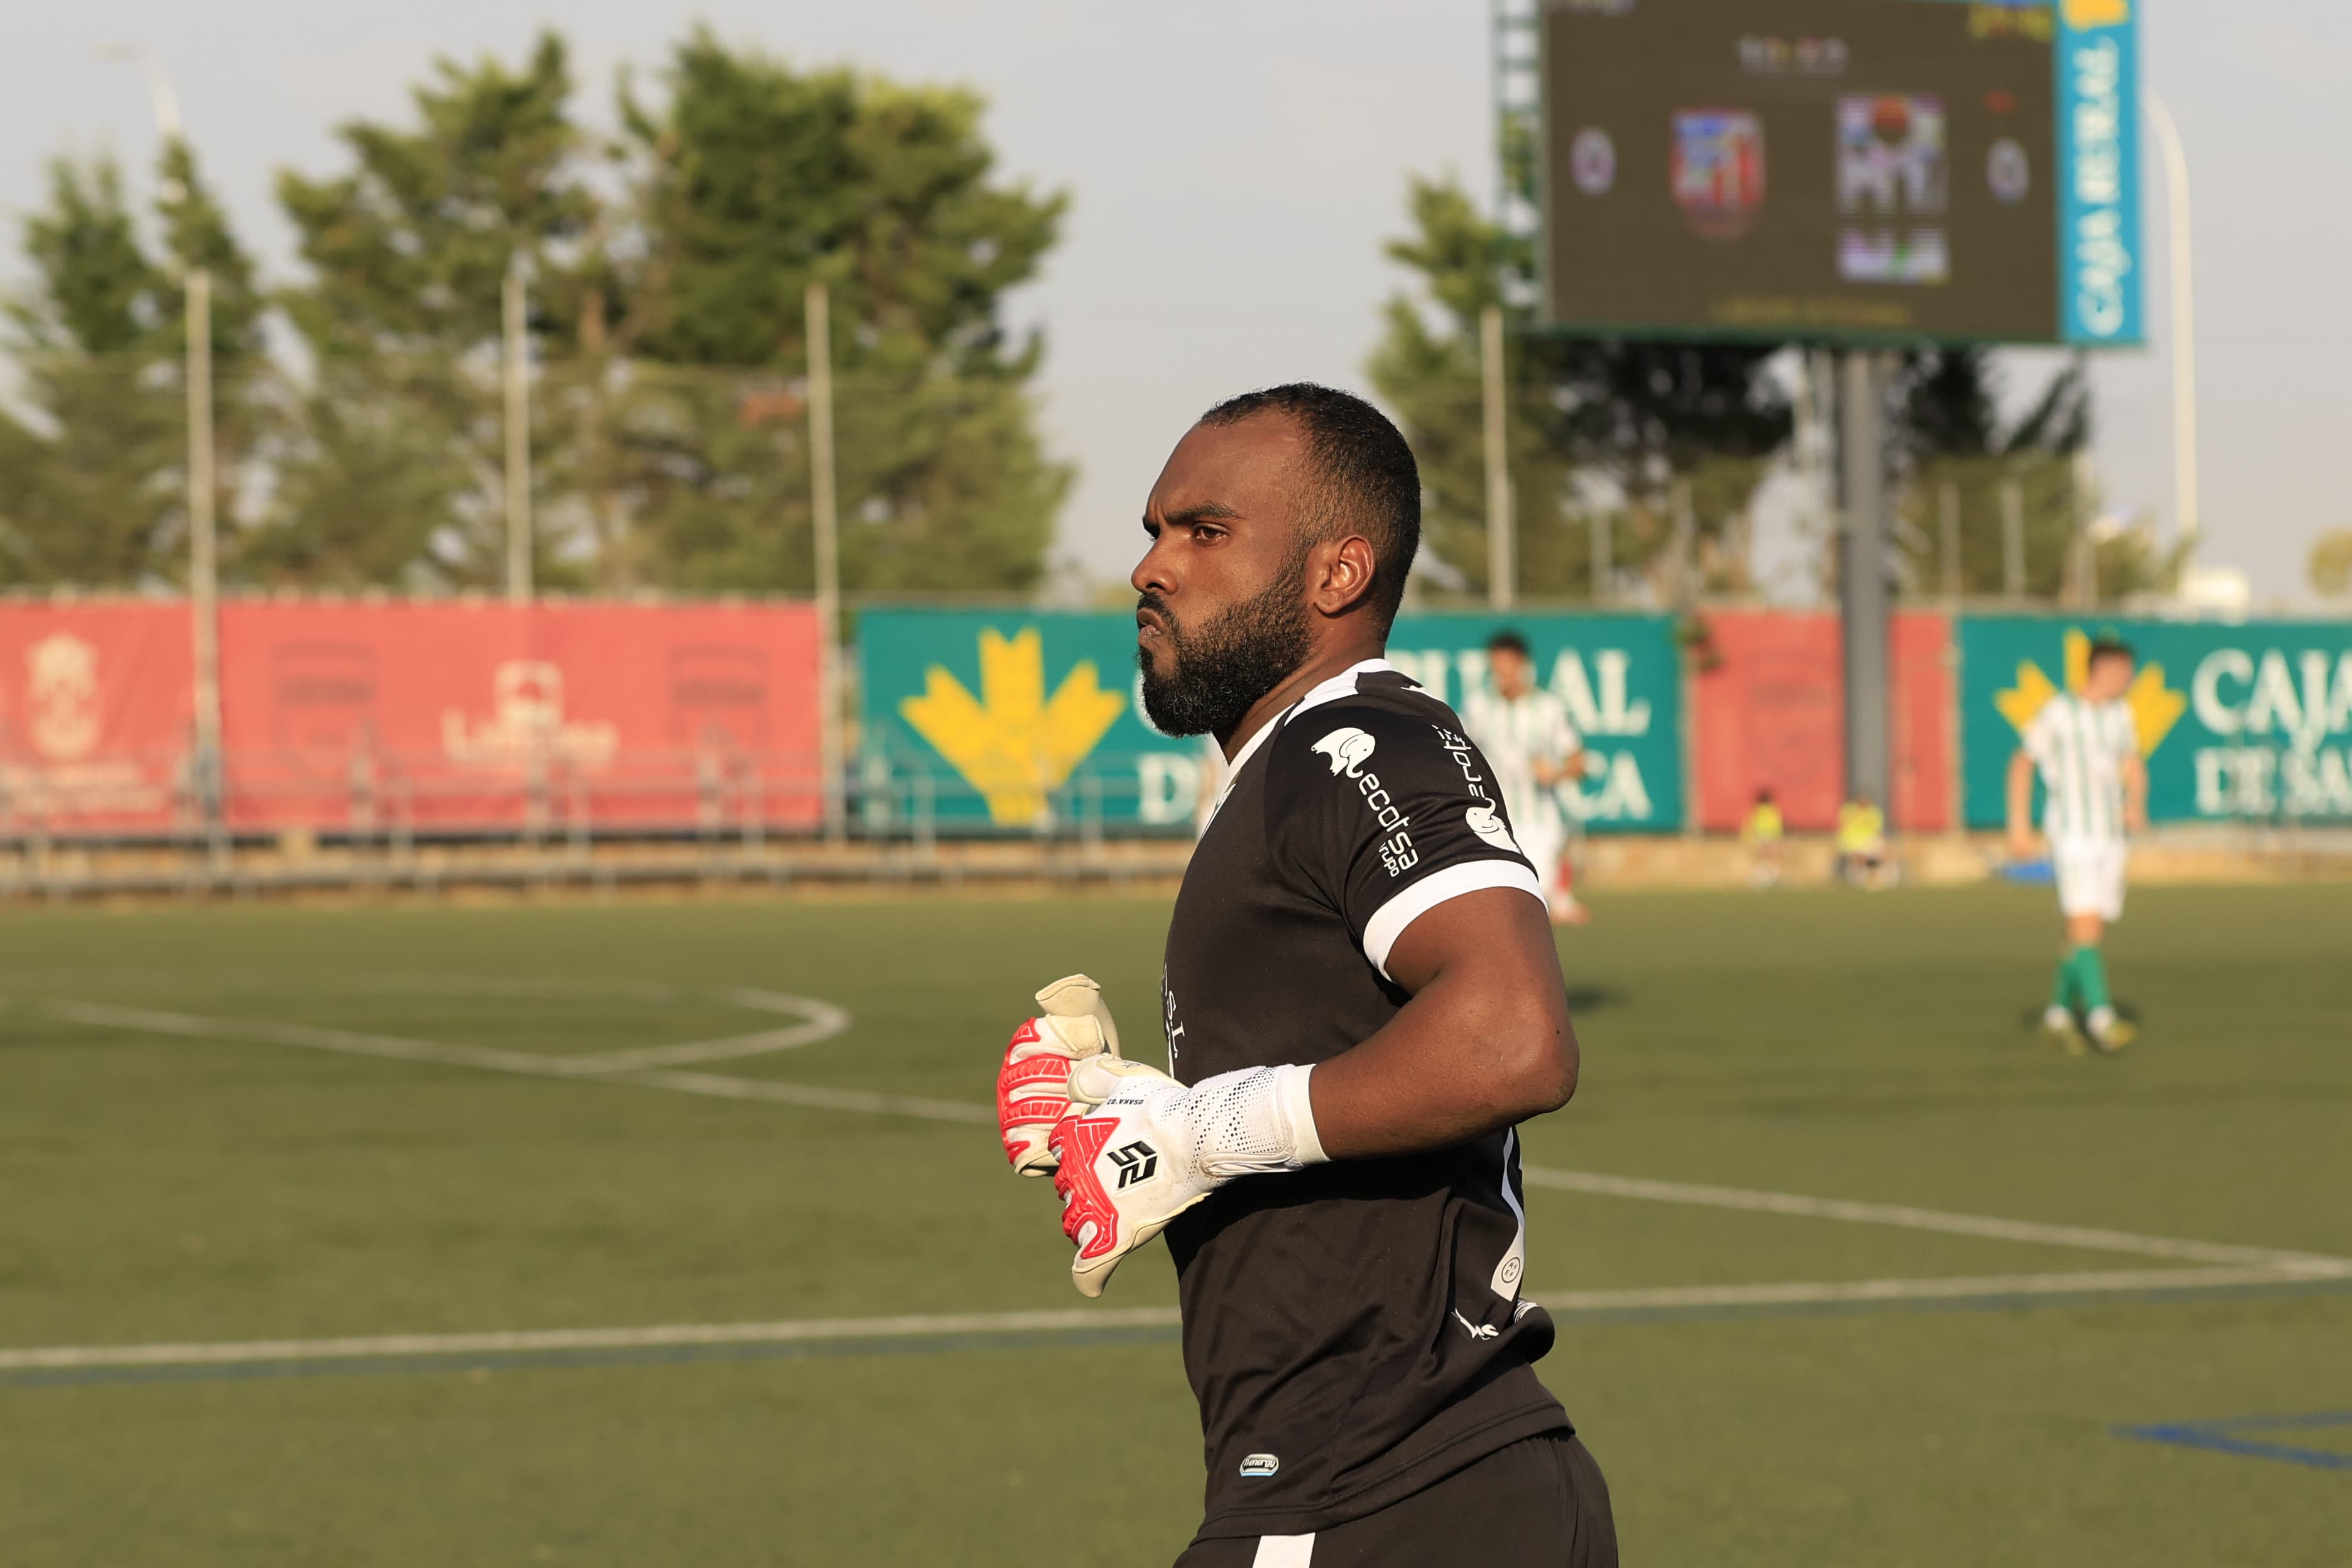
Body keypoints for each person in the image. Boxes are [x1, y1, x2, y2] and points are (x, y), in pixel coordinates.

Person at [994, 384, 1614, 1566]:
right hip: (1385, 1486)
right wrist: (1132, 1130)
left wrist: (1198, 1133)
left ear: (1336, 575)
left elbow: (1511, 1034)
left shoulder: (1356, 742)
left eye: (1203, 531)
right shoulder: (1277, 777)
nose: (1150, 567)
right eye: (1152, 530)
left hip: (1380, 1490)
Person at [2007, 634, 2146, 1055]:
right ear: (2101, 669)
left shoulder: (2121, 714)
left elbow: (2132, 763)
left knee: (2088, 929)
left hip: (2110, 835)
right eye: (2123, 670)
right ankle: (2102, 1018)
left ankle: (2057, 1014)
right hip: (2072, 834)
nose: (2129, 679)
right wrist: (2019, 827)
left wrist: (2135, 804)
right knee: (2084, 922)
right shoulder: (2059, 712)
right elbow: (2022, 763)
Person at [1462, 629, 1590, 925]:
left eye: (1507, 665)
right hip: (1493, 822)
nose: (1501, 673)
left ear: (1522, 664)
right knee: (1496, 908)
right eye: (1495, 665)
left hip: (1539, 824)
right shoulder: (1477, 707)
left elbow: (1579, 762)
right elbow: (1461, 753)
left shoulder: (1549, 709)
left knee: (1533, 907)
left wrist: (1556, 773)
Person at [1834, 793, 1890, 888]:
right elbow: (1843, 829)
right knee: (1860, 857)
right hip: (1852, 842)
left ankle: (1879, 878)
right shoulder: (1849, 810)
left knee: (1887, 852)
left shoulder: (1873, 811)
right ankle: (1865, 879)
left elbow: (1877, 830)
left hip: (1868, 841)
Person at [1741, 786, 1783, 890]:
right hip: (1771, 837)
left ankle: (1765, 880)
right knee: (1770, 859)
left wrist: (1748, 836)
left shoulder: (1758, 811)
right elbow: (1778, 824)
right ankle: (1769, 880)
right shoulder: (1773, 810)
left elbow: (1751, 824)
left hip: (1761, 837)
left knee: (1763, 859)